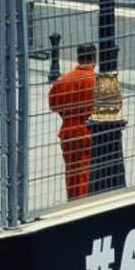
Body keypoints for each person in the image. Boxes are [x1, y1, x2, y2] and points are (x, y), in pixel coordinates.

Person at [49, 43, 99, 200]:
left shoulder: (63, 79)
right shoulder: (97, 81)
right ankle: (83, 203)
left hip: (68, 130)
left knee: (71, 170)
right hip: (89, 130)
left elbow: (54, 104)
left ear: (77, 58)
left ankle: (73, 200)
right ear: (94, 58)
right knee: (86, 171)